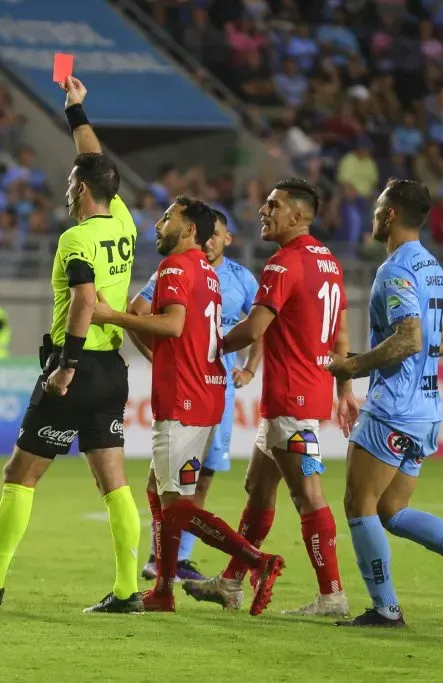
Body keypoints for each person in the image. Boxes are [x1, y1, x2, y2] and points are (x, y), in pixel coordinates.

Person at [0, 77, 144, 613]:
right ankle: (127, 590)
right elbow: (95, 161)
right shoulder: (122, 221)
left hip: (75, 367)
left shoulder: (76, 238)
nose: (67, 187)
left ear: (83, 189)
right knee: (113, 481)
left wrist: (65, 365)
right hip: (112, 370)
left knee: (20, 474)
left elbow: (83, 299)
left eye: (73, 181)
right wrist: (76, 111)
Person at [326, 178, 443, 627]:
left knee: (358, 504)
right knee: (391, 511)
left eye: (377, 208)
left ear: (390, 215)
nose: (373, 215)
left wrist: (353, 366)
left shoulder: (395, 270)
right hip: (426, 409)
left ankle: (385, 609)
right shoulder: (433, 268)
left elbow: (409, 338)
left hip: (394, 408)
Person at [91, 196, 285, 615]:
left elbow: (172, 324)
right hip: (206, 393)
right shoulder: (208, 272)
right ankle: (163, 588)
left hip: (183, 398)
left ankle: (258, 561)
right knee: (160, 493)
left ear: (190, 229)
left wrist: (112, 317)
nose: (158, 224)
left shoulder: (175, 267)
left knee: (175, 504)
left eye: (167, 217)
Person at [185, 178, 357, 616]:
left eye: (273, 205)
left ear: (298, 216)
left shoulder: (284, 263)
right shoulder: (329, 262)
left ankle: (332, 595)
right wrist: (344, 389)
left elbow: (254, 328)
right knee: (258, 488)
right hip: (306, 392)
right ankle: (231, 582)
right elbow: (340, 332)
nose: (263, 211)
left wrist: (208, 347)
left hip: (291, 397)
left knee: (307, 495)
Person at [131, 210, 261, 583]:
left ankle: (181, 561)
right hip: (194, 387)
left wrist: (249, 368)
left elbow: (260, 326)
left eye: (216, 235)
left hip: (213, 390)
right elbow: (139, 311)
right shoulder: (184, 270)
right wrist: (156, 356)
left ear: (226, 238)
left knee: (193, 482)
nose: (209, 241)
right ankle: (164, 564)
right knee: (166, 486)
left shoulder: (238, 278)